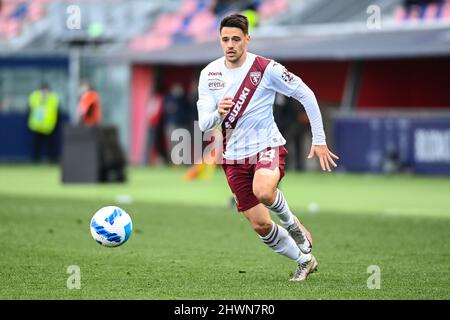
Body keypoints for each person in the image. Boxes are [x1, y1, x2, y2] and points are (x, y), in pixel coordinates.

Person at [196, 14, 339, 281]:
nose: (230, 44)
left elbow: (306, 93)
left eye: (236, 39)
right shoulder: (209, 74)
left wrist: (319, 139)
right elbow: (204, 124)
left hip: (267, 147)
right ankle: (304, 260)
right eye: (225, 39)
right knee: (260, 224)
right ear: (219, 40)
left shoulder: (266, 68)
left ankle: (293, 225)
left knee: (263, 190)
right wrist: (218, 112)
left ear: (247, 39)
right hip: (233, 158)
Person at [27, 83, 60, 163]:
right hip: (37, 126)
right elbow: (32, 106)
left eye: (46, 90)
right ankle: (35, 160)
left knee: (51, 145)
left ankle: (51, 160)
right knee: (36, 145)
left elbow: (55, 109)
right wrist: (41, 99)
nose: (44, 92)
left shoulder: (53, 98)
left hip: (49, 126)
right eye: (43, 90)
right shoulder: (35, 96)